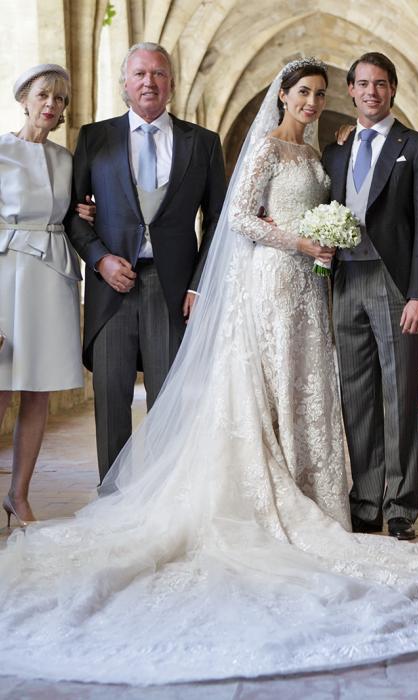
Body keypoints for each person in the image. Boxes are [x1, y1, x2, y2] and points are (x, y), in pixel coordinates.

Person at [0, 59, 418, 685]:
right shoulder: (265, 146)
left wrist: (319, 244)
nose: (312, 103)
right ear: (283, 97)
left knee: (306, 391)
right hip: (270, 282)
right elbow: (237, 217)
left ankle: (319, 493)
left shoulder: (326, 154)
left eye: (320, 95)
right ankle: (257, 495)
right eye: (303, 93)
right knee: (260, 392)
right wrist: (300, 243)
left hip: (309, 292)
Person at [67, 42, 226, 483]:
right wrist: (99, 261)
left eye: (158, 74)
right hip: (110, 288)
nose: (148, 82)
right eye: (139, 74)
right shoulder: (94, 138)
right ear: (124, 84)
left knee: (170, 401)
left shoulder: (204, 144)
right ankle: (111, 499)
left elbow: (217, 223)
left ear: (171, 84)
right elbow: (72, 215)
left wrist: (199, 285)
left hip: (173, 289)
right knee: (111, 398)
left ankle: (164, 500)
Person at [322, 52, 418, 541]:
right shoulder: (336, 151)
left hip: (394, 282)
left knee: (399, 397)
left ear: (393, 89)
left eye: (380, 83)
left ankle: (400, 505)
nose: (371, 92)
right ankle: (366, 499)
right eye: (362, 84)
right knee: (356, 395)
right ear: (350, 90)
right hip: (345, 282)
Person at [0, 65, 83, 526]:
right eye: (43, 95)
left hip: (51, 276)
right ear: (25, 99)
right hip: (6, 273)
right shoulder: (0, 150)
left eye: (60, 99)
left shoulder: (66, 159)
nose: (51, 104)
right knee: (0, 389)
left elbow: (73, 214)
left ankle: (19, 495)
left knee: (38, 392)